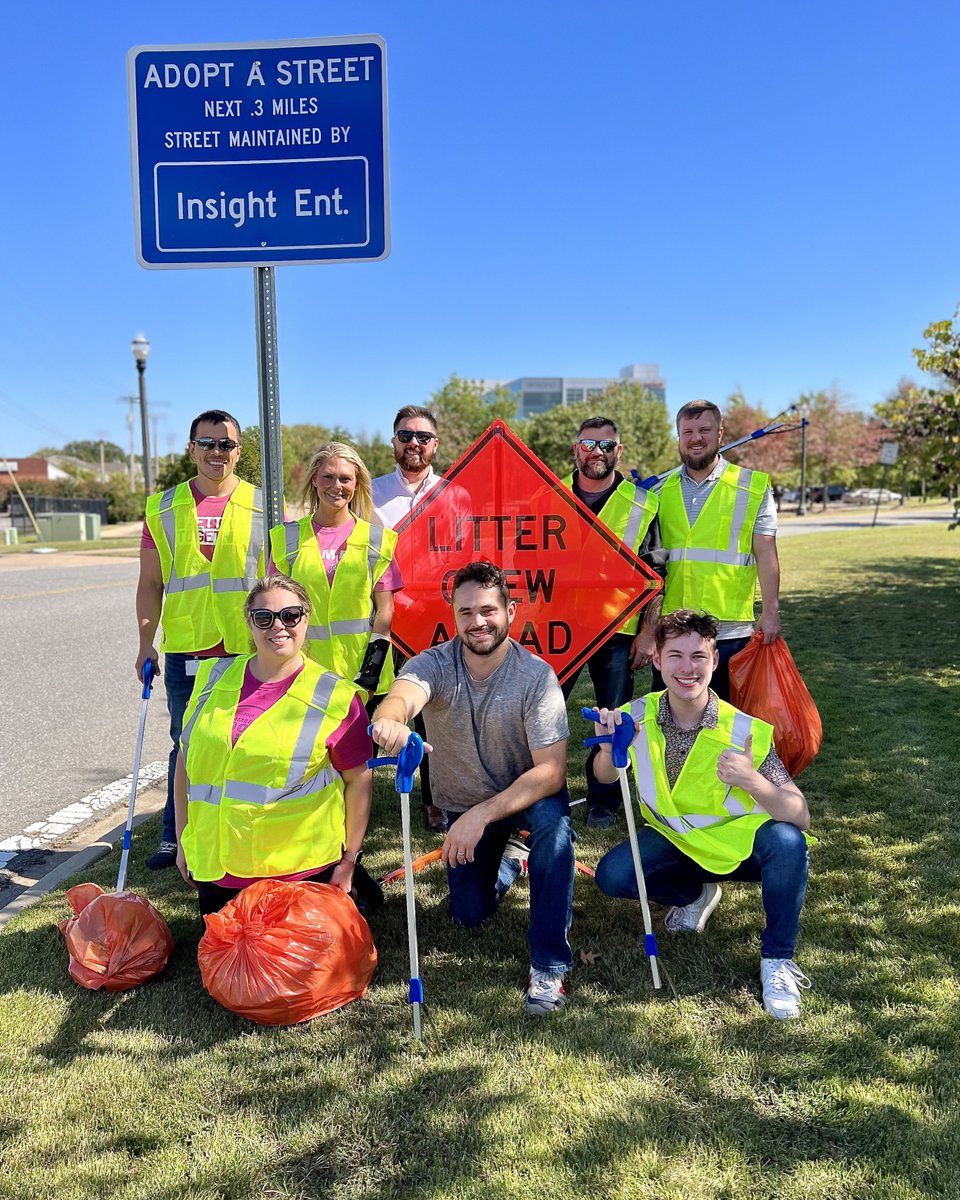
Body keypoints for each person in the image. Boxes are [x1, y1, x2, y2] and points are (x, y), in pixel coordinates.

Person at [371, 561, 575, 1015]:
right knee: (467, 914)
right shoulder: (435, 664)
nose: (478, 622)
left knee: (555, 831)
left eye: (488, 610)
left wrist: (482, 816)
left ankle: (549, 965)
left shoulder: (535, 676)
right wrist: (390, 723)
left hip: (525, 797)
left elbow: (552, 773)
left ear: (510, 611)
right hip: (463, 804)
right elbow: (401, 697)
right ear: (454, 615)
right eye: (466, 612)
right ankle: (509, 862)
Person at [593, 609, 814, 1019]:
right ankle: (694, 896)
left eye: (698, 656)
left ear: (715, 660)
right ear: (656, 660)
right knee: (613, 875)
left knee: (788, 841)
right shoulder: (636, 714)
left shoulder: (742, 729)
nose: (687, 668)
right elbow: (605, 776)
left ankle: (778, 960)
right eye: (675, 655)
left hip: (740, 849)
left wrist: (753, 781)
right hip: (676, 842)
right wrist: (609, 749)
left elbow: (800, 814)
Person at [174, 575, 374, 917]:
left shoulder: (336, 697)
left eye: (290, 616)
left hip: (297, 874)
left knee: (292, 970)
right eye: (264, 618)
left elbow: (359, 781)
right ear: (249, 624)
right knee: (228, 968)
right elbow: (185, 762)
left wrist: (350, 860)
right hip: (217, 871)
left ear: (306, 619)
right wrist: (183, 841)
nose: (278, 626)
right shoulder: (212, 678)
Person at [136, 409, 265, 871]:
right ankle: (176, 837)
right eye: (207, 443)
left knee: (245, 741)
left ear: (239, 452)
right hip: (187, 648)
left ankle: (240, 828)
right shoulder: (163, 507)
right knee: (184, 742)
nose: (217, 452)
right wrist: (145, 643)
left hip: (247, 649)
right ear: (191, 449)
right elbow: (151, 584)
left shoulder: (264, 505)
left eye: (226, 444)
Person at [636, 400, 781, 701]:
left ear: (720, 434)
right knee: (669, 721)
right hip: (672, 628)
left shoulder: (752, 487)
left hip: (729, 631)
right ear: (679, 437)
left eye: (704, 429)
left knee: (727, 723)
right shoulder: (658, 491)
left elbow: (767, 555)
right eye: (687, 431)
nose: (696, 437)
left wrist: (770, 612)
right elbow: (651, 563)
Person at [560, 416, 665, 829]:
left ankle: (604, 800)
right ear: (576, 449)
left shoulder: (642, 504)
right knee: (540, 713)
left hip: (616, 631)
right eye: (589, 444)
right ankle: (542, 794)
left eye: (606, 446)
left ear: (618, 451)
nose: (597, 453)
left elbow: (656, 575)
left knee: (614, 716)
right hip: (559, 631)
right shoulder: (550, 497)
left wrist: (648, 632)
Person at [269, 442, 402, 697]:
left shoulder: (377, 541)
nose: (336, 486)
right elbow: (276, 609)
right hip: (303, 676)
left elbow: (385, 611)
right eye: (328, 477)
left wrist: (370, 672)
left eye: (345, 479)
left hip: (363, 680)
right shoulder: (286, 539)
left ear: (356, 484)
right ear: (315, 481)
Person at [371, 406, 447, 831]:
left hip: (437, 621)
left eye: (422, 437)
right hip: (385, 619)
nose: (413, 444)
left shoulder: (455, 493)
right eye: (405, 436)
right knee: (383, 706)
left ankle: (436, 800)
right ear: (393, 442)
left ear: (434, 444)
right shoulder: (372, 493)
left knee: (434, 710)